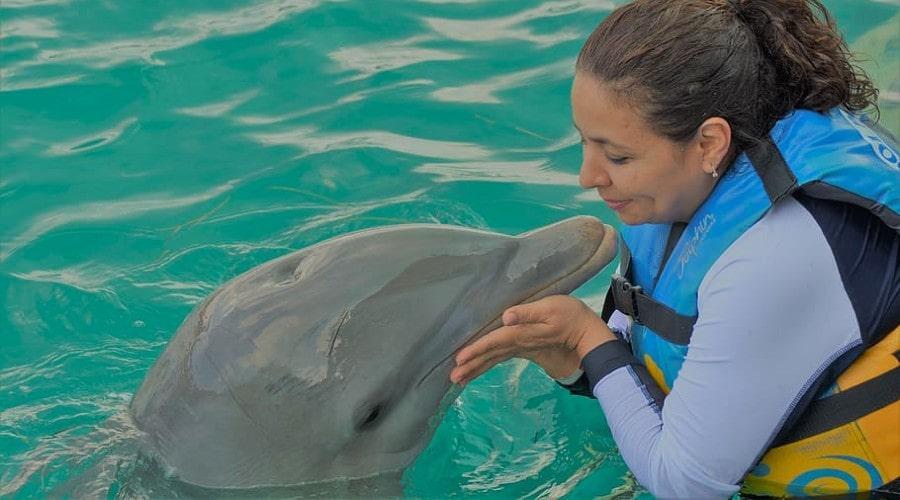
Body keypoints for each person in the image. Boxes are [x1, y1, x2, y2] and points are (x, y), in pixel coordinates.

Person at [449, 0, 900, 497]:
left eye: (617, 155)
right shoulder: (689, 190)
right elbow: (651, 350)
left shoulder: (773, 257)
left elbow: (686, 484)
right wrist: (578, 363)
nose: (587, 177)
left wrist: (587, 341)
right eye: (585, 143)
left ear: (709, 143)